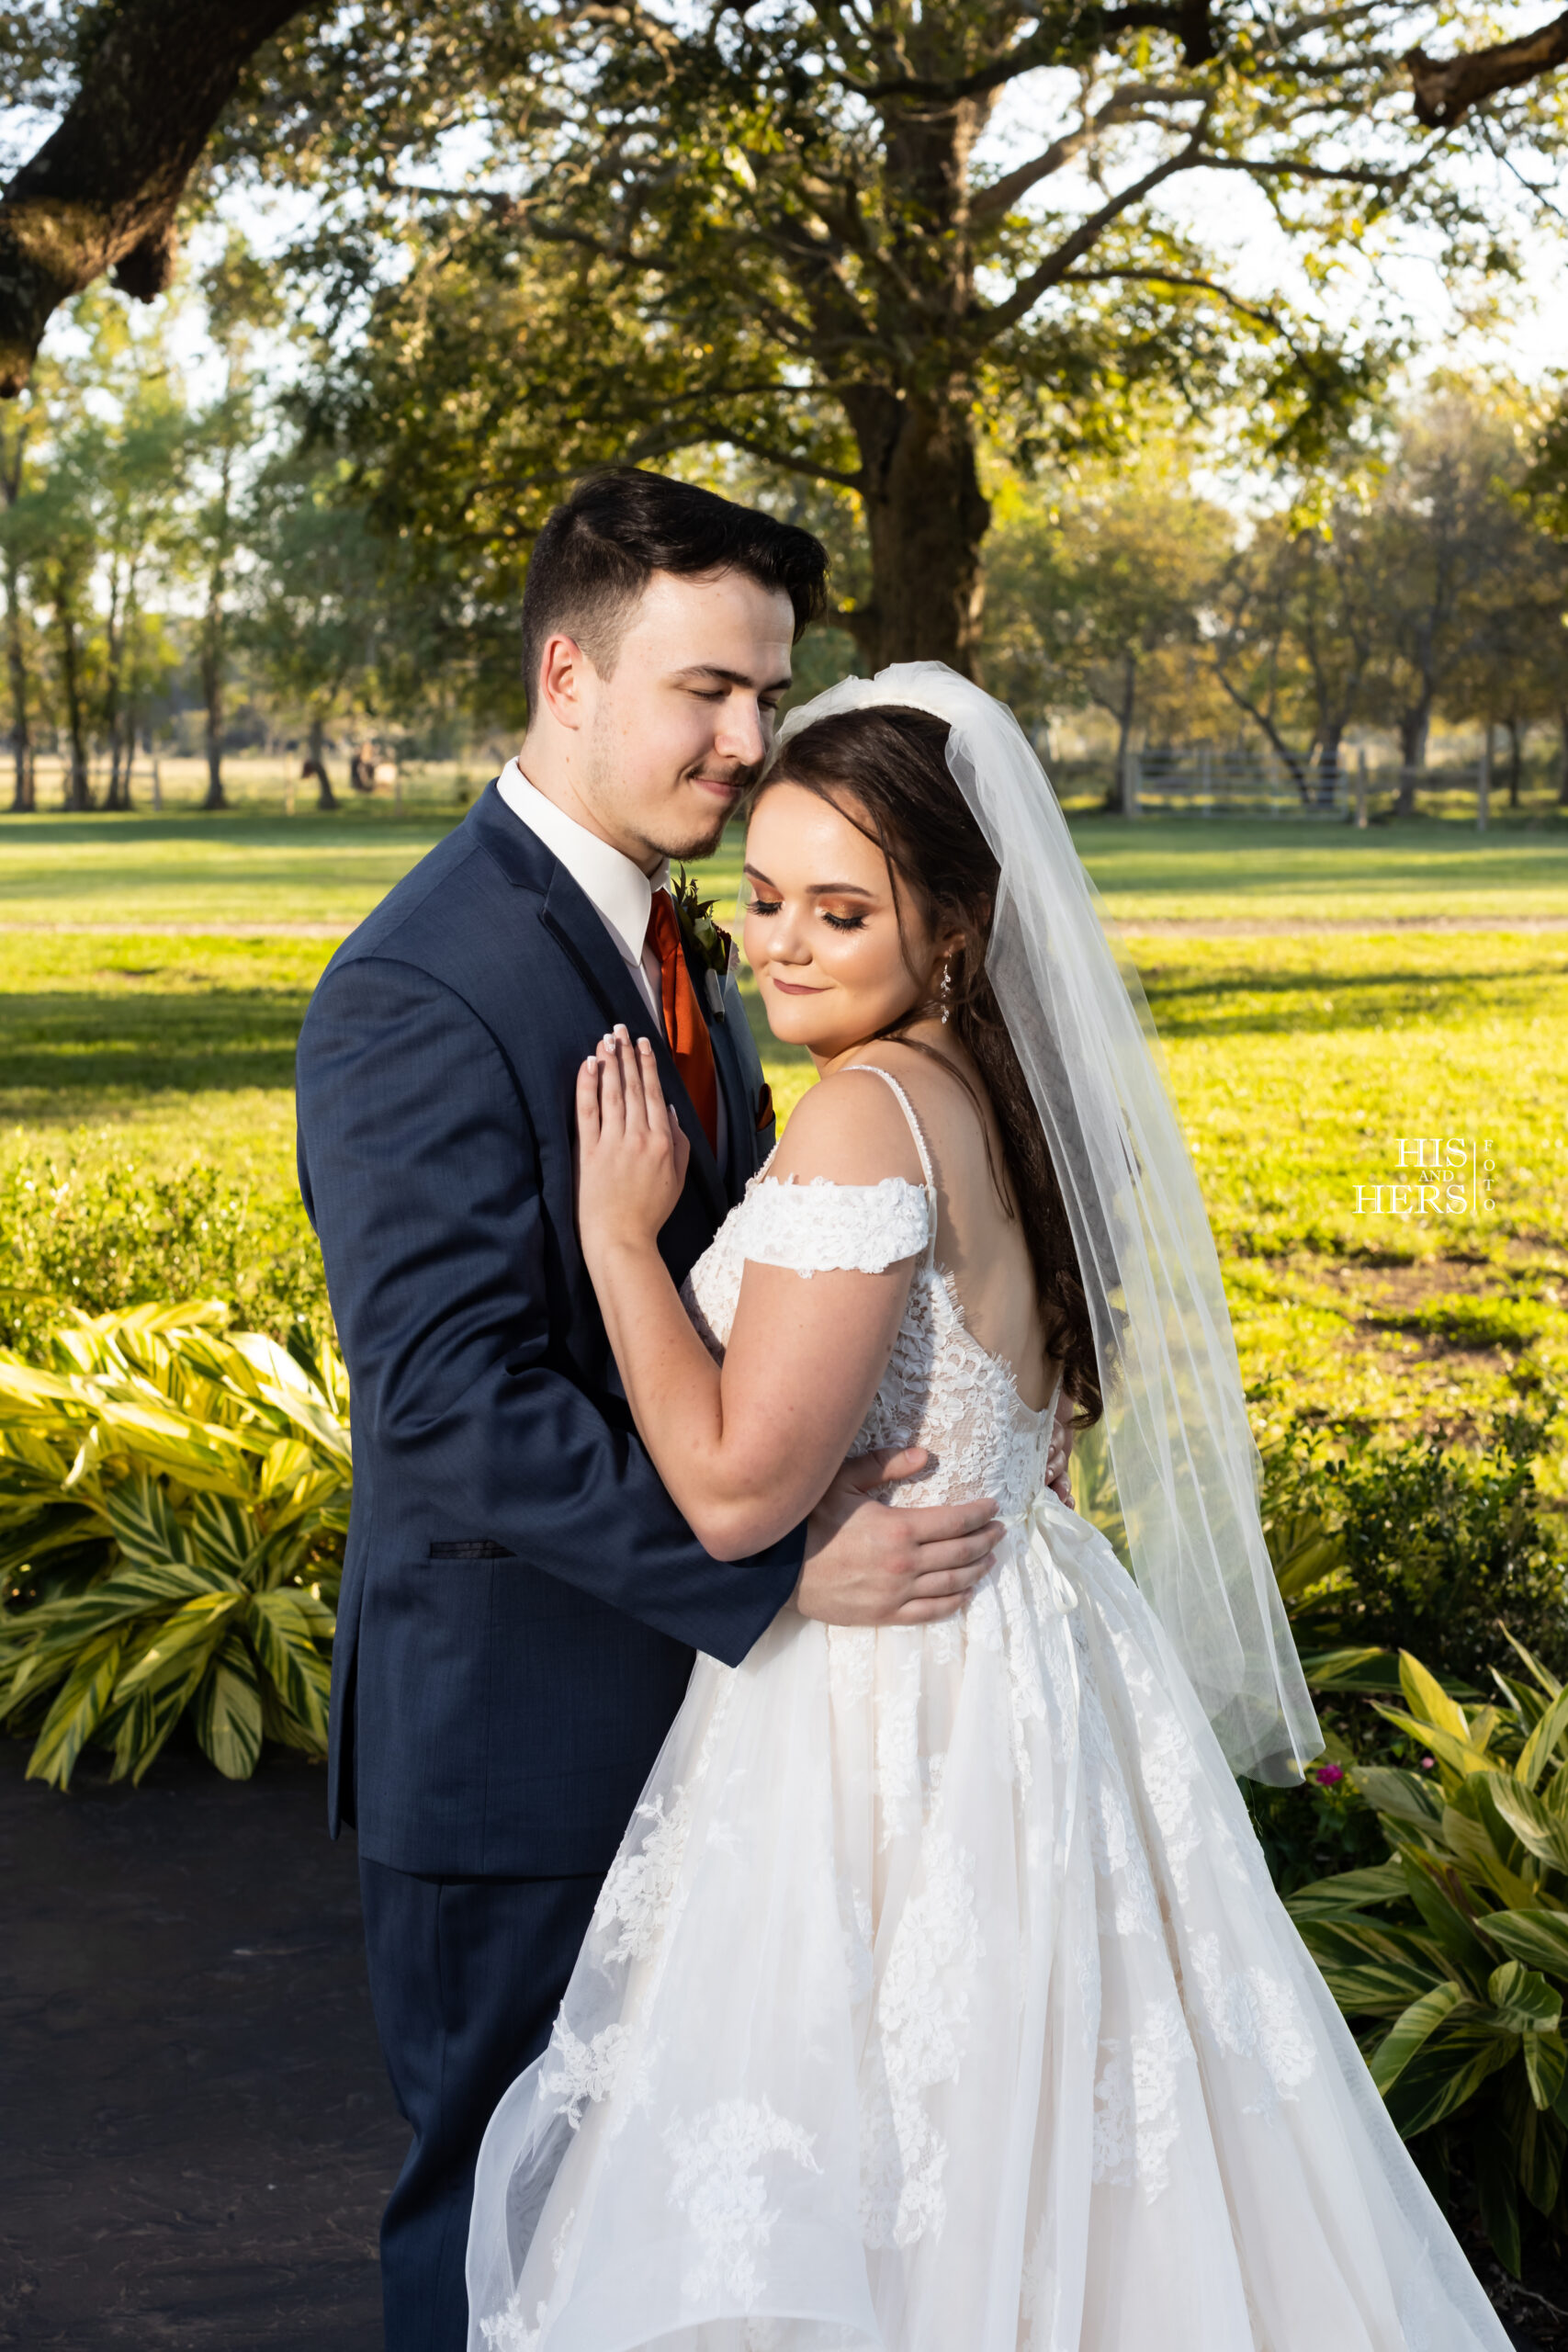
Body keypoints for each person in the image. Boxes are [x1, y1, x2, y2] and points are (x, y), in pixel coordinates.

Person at [464, 669, 1514, 2351]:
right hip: (1027, 1655)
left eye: (842, 909)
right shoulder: (995, 1094)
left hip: (894, 1708)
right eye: (765, 899)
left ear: (953, 925)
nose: (787, 945)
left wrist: (614, 1241)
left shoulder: (862, 1118)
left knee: (879, 2178)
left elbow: (737, 1492)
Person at [294, 476, 1021, 2352]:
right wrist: (778, 1560)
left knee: (691, 2240)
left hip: (713, 1741)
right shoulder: (415, 985)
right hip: (520, 1732)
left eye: (766, 694)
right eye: (707, 689)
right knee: (507, 2231)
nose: (746, 738)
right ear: (566, 669)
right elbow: (447, 1403)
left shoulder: (691, 943)